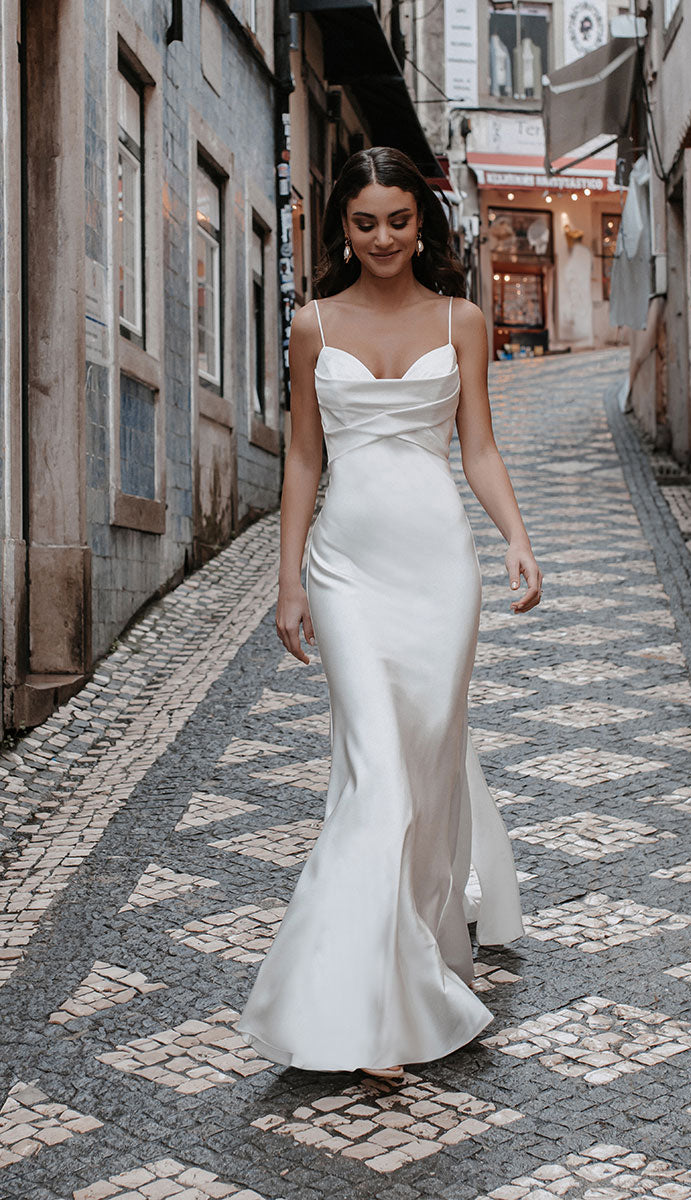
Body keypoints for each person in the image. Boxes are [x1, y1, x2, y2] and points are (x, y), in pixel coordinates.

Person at [236, 146, 542, 1080]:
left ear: (423, 224)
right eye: (364, 222)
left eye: (398, 221)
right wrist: (289, 579)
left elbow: (478, 447)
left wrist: (517, 538)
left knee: (429, 764)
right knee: (377, 779)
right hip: (346, 570)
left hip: (439, 569)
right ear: (342, 227)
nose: (381, 238)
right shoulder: (311, 326)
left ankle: (421, 940)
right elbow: (301, 460)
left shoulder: (464, 320)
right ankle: (369, 1003)